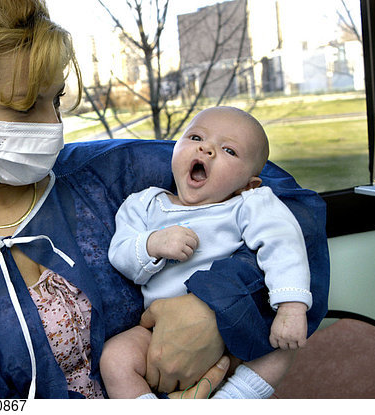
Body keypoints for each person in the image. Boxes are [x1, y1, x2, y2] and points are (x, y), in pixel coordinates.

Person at [0, 0, 329, 399]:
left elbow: (289, 206)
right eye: (25, 105)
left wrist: (211, 308)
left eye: (56, 99)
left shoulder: (114, 175)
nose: (51, 125)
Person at [102, 107, 313, 399]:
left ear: (247, 184)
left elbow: (283, 243)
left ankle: (233, 398)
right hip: (158, 332)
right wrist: (153, 243)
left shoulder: (248, 204)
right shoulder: (145, 204)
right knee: (115, 357)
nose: (207, 148)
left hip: (236, 325)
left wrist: (291, 306)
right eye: (196, 137)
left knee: (284, 347)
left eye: (228, 150)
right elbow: (121, 253)